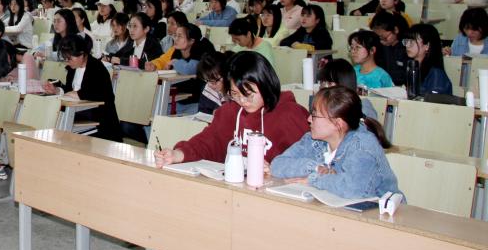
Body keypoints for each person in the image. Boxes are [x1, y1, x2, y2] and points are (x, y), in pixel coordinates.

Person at [155, 52, 309, 166]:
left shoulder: (290, 114)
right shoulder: (230, 111)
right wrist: (178, 154)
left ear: (265, 83)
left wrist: (276, 169)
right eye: (235, 94)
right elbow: (208, 141)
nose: (242, 101)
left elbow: (310, 157)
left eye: (248, 94)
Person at [270, 87, 400, 199]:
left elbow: (352, 189)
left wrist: (314, 179)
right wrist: (316, 168)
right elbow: (277, 165)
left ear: (338, 124)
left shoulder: (363, 145)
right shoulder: (312, 140)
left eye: (314, 115)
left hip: (382, 215)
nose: (309, 119)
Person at [42, 36, 122, 142]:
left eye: (69, 59)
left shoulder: (97, 68)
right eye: (65, 59)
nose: (67, 62)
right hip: (77, 113)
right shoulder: (73, 68)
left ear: (81, 54)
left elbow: (94, 94)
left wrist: (76, 94)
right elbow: (70, 90)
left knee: (56, 124)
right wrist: (56, 90)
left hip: (98, 121)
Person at [403, 24, 453, 96]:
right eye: (406, 41)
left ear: (427, 46)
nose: (407, 45)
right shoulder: (413, 68)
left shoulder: (436, 74)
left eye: (412, 41)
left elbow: (434, 101)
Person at [370, 12, 410, 86]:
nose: (381, 41)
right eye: (379, 37)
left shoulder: (407, 48)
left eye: (384, 37)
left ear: (396, 30)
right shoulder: (383, 46)